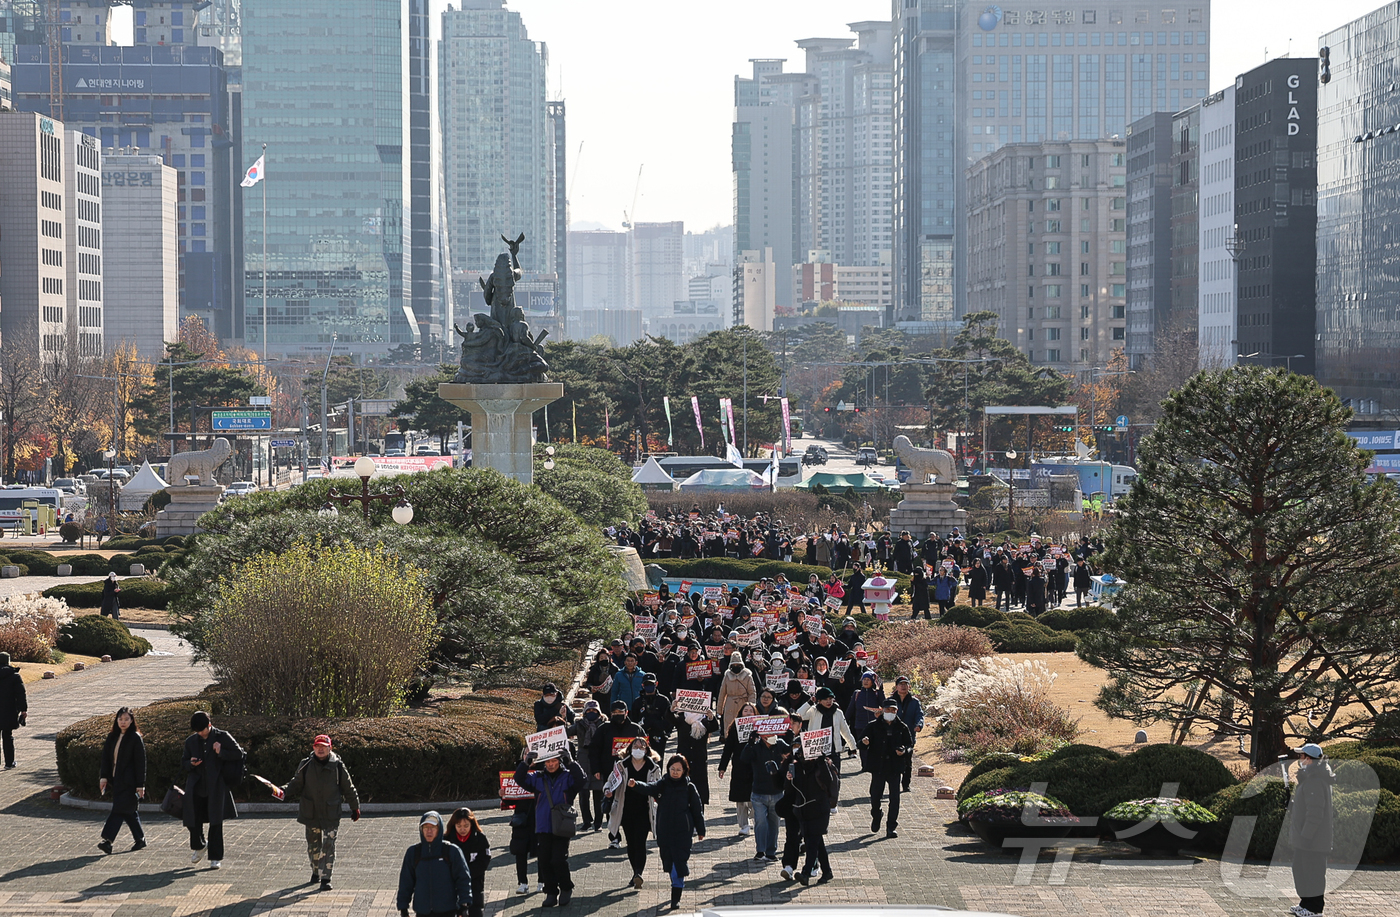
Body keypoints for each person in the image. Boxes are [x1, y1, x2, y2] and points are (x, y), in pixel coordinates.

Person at [275, 734, 361, 890]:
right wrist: (283, 791)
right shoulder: (306, 764)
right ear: (313, 748)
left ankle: (326, 878)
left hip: (331, 813)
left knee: (329, 845)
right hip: (311, 812)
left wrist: (355, 807)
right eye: (318, 747)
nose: (321, 750)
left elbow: (349, 788)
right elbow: (295, 783)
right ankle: (316, 871)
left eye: (324, 747)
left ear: (330, 748)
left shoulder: (338, 766)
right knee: (313, 846)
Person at [512, 746, 588, 907]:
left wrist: (572, 762)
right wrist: (525, 763)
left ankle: (566, 887)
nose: (551, 764)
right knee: (544, 861)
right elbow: (519, 779)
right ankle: (551, 892)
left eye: (554, 761)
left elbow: (582, 780)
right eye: (548, 761)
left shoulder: (568, 777)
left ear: (559, 762)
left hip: (562, 826)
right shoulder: (538, 778)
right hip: (543, 826)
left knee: (558, 859)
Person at [631, 755, 706, 910]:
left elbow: (697, 810)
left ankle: (675, 898)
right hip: (665, 831)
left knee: (679, 864)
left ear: (684, 771)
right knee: (669, 862)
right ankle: (675, 884)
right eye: (673, 769)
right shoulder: (663, 784)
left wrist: (700, 829)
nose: (675, 772)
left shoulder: (689, 787)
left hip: (682, 832)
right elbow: (648, 788)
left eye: (679, 769)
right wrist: (635, 784)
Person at [182, 711, 244, 869]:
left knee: (216, 822)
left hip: (216, 785)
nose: (200, 734)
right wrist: (191, 763)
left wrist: (221, 752)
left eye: (202, 730)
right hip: (196, 786)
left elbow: (239, 754)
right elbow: (183, 762)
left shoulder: (222, 736)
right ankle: (200, 845)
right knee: (192, 820)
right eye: (197, 731)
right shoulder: (191, 741)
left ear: (209, 725)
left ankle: (215, 857)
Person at [604, 737, 660, 890]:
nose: (638, 748)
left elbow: (658, 786)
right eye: (635, 746)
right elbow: (610, 782)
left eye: (642, 746)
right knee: (631, 843)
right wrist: (608, 791)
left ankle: (638, 873)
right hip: (626, 810)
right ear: (629, 749)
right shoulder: (621, 766)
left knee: (640, 842)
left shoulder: (653, 767)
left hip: (644, 810)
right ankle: (634, 872)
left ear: (647, 750)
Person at [396, 811, 473, 917]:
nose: (429, 831)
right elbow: (406, 882)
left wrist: (464, 904)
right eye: (425, 827)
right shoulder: (413, 852)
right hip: (422, 911)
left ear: (439, 829)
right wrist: (403, 907)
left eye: (433, 827)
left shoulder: (452, 851)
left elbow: (463, 879)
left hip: (447, 910)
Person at [1288, 743, 1335, 917]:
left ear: (1309, 759)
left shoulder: (1315, 780)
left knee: (1313, 873)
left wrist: (1306, 836)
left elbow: (1315, 813)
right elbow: (1306, 806)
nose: (1299, 759)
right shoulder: (1310, 778)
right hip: (1306, 838)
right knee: (1300, 870)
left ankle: (1315, 908)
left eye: (1301, 756)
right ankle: (1306, 903)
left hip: (1313, 840)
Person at [862, 698, 913, 838]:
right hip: (878, 767)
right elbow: (861, 742)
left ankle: (891, 826)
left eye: (893, 710)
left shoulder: (902, 727)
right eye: (888, 710)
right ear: (882, 711)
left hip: (895, 768)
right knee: (875, 796)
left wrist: (904, 751)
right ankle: (876, 815)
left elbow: (910, 745)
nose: (890, 712)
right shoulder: (873, 726)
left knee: (894, 799)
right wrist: (865, 742)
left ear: (897, 711)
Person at [97, 706, 146, 853]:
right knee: (128, 811)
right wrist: (103, 777)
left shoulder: (135, 738)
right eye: (120, 719)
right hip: (116, 780)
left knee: (118, 809)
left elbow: (140, 763)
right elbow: (106, 759)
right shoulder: (112, 737)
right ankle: (140, 839)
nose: (123, 722)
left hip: (130, 783)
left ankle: (108, 840)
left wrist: (140, 785)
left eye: (126, 719)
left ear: (132, 721)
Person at [788, 745, 839, 884]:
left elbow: (828, 780)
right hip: (804, 811)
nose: (802, 757)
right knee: (818, 843)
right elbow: (793, 787)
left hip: (819, 810)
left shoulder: (821, 765)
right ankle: (827, 871)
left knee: (811, 842)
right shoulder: (798, 767)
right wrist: (789, 777)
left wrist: (821, 760)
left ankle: (806, 873)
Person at [740, 732, 788, 862]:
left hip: (777, 792)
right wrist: (750, 743)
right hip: (758, 793)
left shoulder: (780, 744)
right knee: (760, 822)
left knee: (774, 823)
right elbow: (744, 758)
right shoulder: (755, 747)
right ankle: (760, 851)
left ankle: (771, 852)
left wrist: (789, 735)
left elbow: (792, 752)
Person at [717, 701, 758, 836]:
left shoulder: (760, 727)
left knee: (755, 797)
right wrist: (722, 767)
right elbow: (728, 749)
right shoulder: (735, 727)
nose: (748, 713)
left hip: (755, 766)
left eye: (750, 711)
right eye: (745, 711)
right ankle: (744, 825)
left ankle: (755, 818)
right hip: (739, 767)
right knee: (740, 799)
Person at [566, 700, 607, 832]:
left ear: (599, 712)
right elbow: (566, 732)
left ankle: (598, 822)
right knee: (583, 795)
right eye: (588, 711)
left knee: (598, 796)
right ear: (584, 712)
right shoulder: (579, 725)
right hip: (583, 761)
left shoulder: (604, 725)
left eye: (594, 711)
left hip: (598, 762)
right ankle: (586, 821)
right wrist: (563, 717)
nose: (591, 713)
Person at [445, 808, 491, 917]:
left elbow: (484, 860)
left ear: (472, 824)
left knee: (476, 911)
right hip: (452, 885)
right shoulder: (446, 841)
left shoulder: (480, 839)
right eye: (459, 826)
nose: (462, 829)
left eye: (466, 826)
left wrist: (467, 874)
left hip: (475, 884)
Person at [890, 677, 925, 792]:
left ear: (909, 686)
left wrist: (919, 725)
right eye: (901, 684)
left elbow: (919, 715)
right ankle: (893, 784)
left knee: (907, 761)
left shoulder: (914, 702)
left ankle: (906, 784)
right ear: (896, 687)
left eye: (906, 684)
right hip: (893, 736)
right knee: (893, 760)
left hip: (909, 736)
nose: (903, 686)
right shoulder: (891, 701)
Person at [506, 784, 540, 895]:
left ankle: (542, 881)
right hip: (521, 822)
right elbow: (510, 801)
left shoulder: (541, 775)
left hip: (539, 820)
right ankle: (523, 883)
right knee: (520, 852)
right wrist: (503, 795)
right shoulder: (517, 779)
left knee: (542, 852)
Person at [716, 652, 757, 733]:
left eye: (738, 665)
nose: (736, 667)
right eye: (734, 665)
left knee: (743, 727)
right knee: (728, 726)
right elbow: (722, 693)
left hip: (743, 704)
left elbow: (752, 692)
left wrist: (752, 707)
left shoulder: (748, 675)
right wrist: (719, 709)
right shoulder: (727, 675)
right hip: (729, 704)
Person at [0, 651, 26, 770]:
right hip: (9, 710)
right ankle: (9, 763)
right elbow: (21, 694)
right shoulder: (14, 676)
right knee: (7, 736)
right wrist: (23, 710)